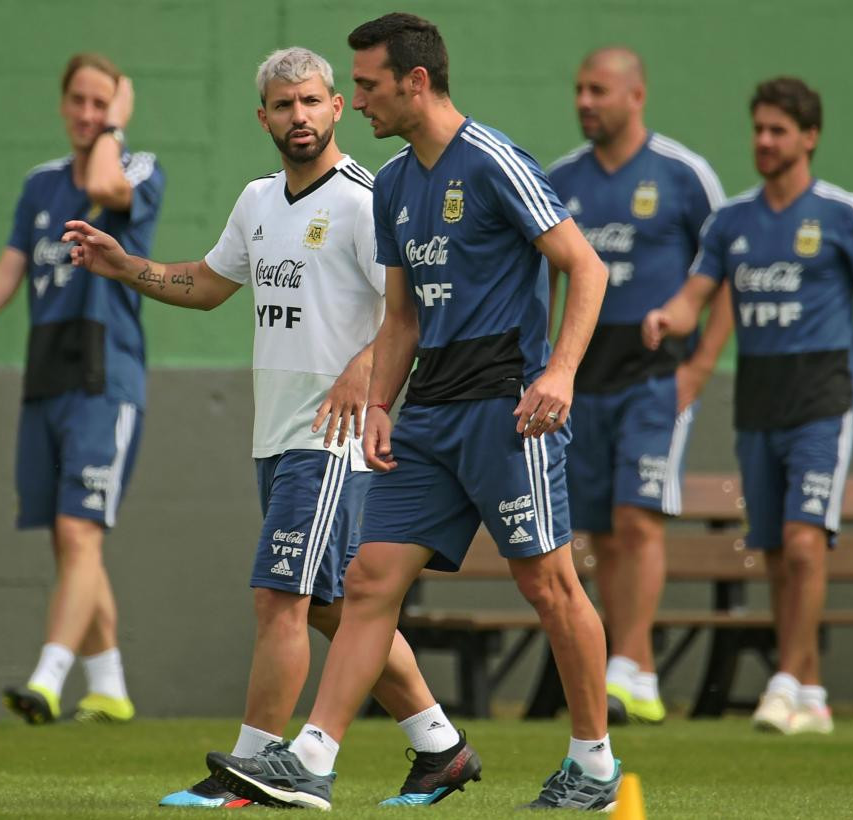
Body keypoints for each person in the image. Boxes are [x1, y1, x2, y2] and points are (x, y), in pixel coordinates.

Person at [213, 14, 621, 811]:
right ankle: (314, 760)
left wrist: (562, 374)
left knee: (548, 586)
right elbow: (399, 318)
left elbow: (585, 267)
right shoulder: (395, 183)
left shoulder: (493, 160)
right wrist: (378, 406)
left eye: (364, 85)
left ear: (416, 82)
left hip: (509, 408)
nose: (353, 100)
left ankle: (595, 765)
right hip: (429, 414)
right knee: (366, 581)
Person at [62, 47, 478, 809]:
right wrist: (128, 267)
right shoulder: (257, 201)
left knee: (278, 597)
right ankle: (439, 746)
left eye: (314, 101)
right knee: (329, 607)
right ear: (265, 116)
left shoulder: (367, 197)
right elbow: (210, 284)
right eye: (284, 106)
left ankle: (247, 773)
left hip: (334, 439)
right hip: (276, 434)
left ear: (335, 107)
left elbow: (411, 309)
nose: (300, 117)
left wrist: (364, 367)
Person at [643, 76, 853, 735]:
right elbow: (698, 297)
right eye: (759, 129)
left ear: (809, 137)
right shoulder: (732, 222)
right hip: (758, 401)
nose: (765, 142)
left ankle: (782, 680)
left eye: (779, 131)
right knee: (775, 550)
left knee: (806, 543)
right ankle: (811, 689)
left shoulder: (842, 213)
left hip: (822, 400)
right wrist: (668, 317)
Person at [0, 53, 164, 725]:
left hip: (105, 374)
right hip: (47, 373)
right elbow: (8, 270)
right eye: (80, 103)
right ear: (63, 105)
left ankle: (48, 677)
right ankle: (111, 687)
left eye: (103, 104)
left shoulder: (137, 166)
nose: (89, 115)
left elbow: (103, 182)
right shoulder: (38, 186)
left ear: (117, 109)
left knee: (80, 528)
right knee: (68, 540)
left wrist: (116, 127)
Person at [547, 47, 731, 726]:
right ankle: (637, 674)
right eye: (578, 89)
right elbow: (549, 280)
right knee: (597, 528)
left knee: (637, 516)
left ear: (635, 95)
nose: (585, 102)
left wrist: (698, 369)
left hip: (656, 377)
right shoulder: (561, 178)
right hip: (582, 382)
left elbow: (726, 273)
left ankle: (625, 662)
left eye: (597, 89)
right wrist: (546, 367)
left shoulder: (685, 175)